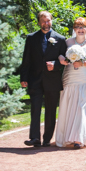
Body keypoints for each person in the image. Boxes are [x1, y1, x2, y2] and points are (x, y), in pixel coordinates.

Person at [18, 11, 68, 147]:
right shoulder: (31, 38)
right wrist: (24, 77)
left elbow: (66, 60)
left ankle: (47, 139)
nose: (46, 24)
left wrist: (56, 65)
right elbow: (26, 60)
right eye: (43, 21)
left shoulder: (61, 39)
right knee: (35, 109)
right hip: (35, 79)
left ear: (51, 21)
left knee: (51, 110)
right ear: (39, 22)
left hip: (52, 80)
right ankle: (34, 138)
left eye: (48, 21)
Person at [55, 17, 86, 148]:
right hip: (70, 77)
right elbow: (60, 55)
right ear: (74, 29)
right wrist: (61, 59)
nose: (80, 29)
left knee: (81, 107)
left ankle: (79, 138)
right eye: (77, 27)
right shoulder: (68, 42)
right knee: (70, 105)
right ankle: (69, 136)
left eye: (83, 27)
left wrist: (82, 63)